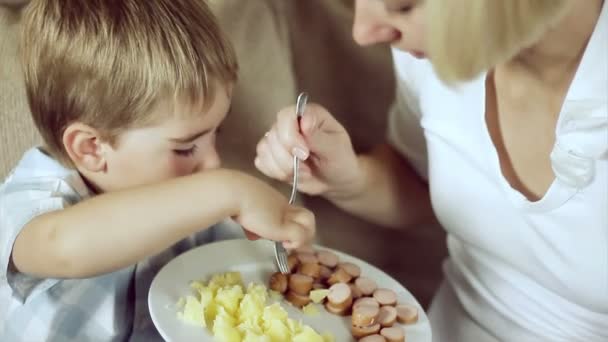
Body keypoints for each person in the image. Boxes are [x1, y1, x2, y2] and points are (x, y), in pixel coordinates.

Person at [255, 0, 607, 340]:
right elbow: (424, 183)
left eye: (403, 6)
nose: (363, 33)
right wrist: (349, 180)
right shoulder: (431, 50)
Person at [0, 0, 315, 340]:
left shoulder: (198, 202)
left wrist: (279, 241)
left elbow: (245, 280)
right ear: (91, 148)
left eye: (216, 134)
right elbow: (62, 247)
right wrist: (231, 191)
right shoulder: (35, 201)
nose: (213, 164)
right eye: (185, 147)